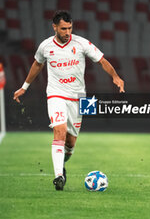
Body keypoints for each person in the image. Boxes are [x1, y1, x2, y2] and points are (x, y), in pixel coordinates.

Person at [13, 11, 125, 191]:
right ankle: (58, 176)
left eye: (70, 28)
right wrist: (24, 87)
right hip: (56, 94)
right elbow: (37, 64)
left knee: (71, 144)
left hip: (80, 97)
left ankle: (62, 164)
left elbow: (101, 60)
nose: (67, 32)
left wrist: (116, 77)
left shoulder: (81, 43)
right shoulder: (45, 46)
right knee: (60, 130)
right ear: (54, 27)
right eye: (63, 28)